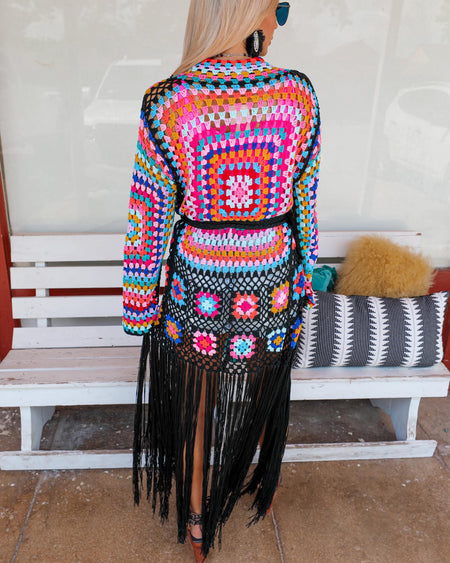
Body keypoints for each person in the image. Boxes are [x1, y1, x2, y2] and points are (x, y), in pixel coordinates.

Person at [122, 1, 320, 560]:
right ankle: (262, 482)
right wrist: (305, 275)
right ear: (249, 13)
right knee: (264, 391)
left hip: (199, 283)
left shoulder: (167, 101)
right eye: (280, 9)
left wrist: (140, 304)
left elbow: (149, 213)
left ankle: (196, 517)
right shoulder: (297, 95)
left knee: (197, 404)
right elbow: (305, 198)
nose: (279, 23)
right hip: (272, 279)